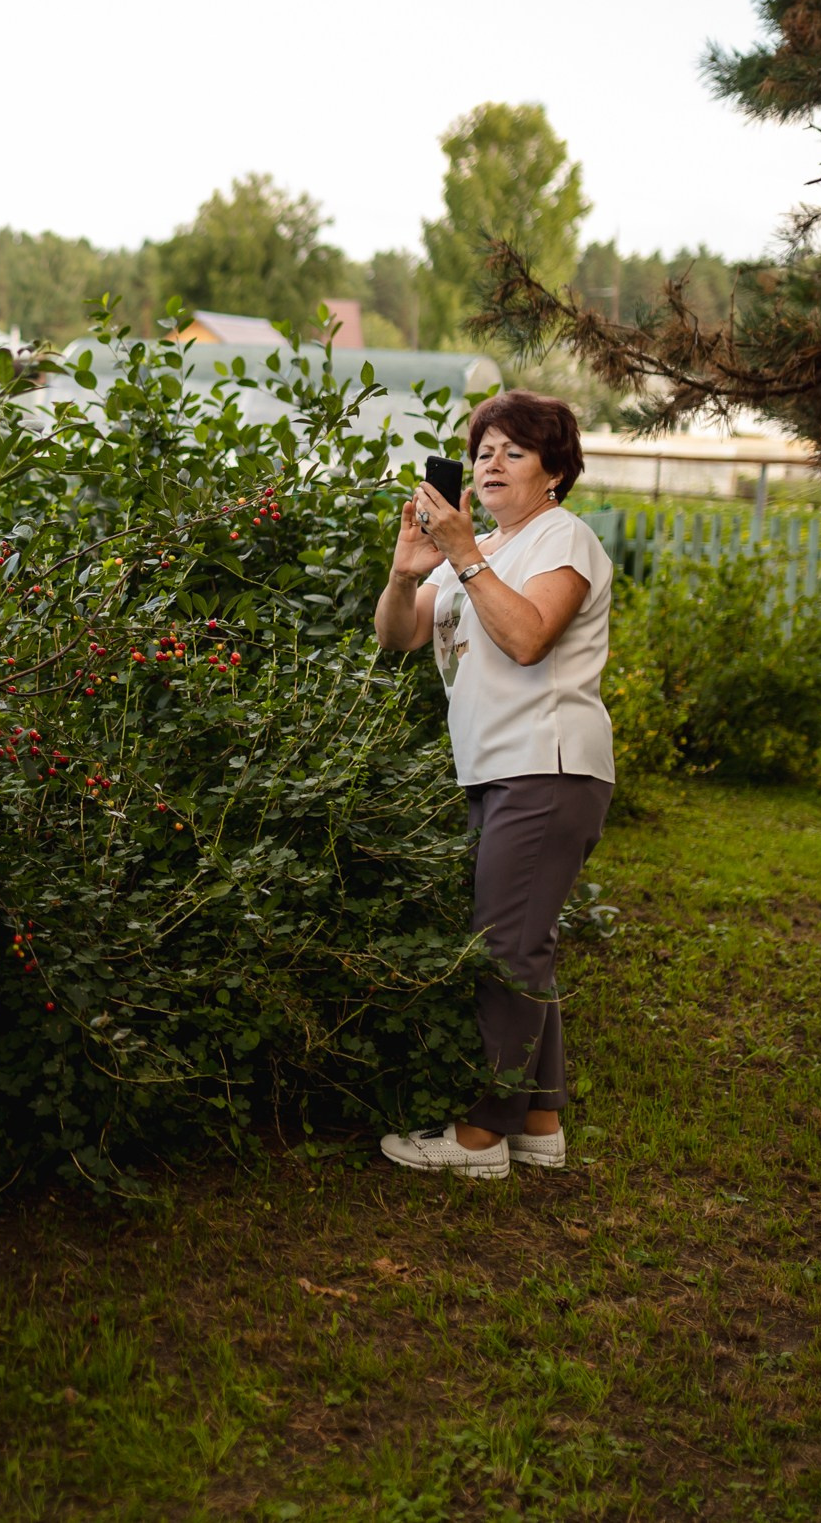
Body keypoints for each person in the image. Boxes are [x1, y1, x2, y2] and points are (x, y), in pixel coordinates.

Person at [371, 389, 615, 1181]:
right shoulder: (479, 551)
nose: (492, 463)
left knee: (504, 948)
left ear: (555, 471)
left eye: (515, 450)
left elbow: (528, 637)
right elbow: (399, 635)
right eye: (483, 452)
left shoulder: (561, 538)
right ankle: (539, 1123)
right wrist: (406, 573)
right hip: (498, 769)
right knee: (522, 944)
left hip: (547, 764)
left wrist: (464, 555)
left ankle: (481, 1137)